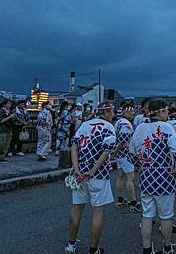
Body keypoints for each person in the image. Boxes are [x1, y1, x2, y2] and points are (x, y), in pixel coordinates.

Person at [129, 98, 176, 254]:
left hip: (146, 176)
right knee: (166, 216)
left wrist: (139, 166)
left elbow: (131, 153)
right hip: (165, 177)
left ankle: (146, 249)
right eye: (166, 111)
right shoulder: (167, 128)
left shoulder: (139, 129)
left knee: (147, 215)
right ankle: (166, 247)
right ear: (162, 111)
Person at [65, 102, 116, 254]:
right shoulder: (108, 127)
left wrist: (76, 169)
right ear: (106, 112)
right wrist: (92, 171)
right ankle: (93, 249)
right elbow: (106, 151)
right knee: (97, 211)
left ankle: (71, 245)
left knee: (77, 208)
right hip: (98, 174)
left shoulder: (85, 125)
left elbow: (74, 146)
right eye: (112, 111)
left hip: (80, 173)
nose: (113, 114)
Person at [114, 101, 140, 211]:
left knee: (120, 176)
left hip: (119, 155)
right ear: (125, 111)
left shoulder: (118, 122)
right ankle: (133, 202)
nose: (133, 113)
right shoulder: (126, 125)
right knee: (130, 178)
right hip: (125, 154)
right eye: (131, 111)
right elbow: (122, 142)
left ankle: (120, 199)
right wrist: (115, 151)